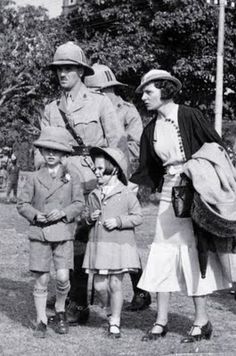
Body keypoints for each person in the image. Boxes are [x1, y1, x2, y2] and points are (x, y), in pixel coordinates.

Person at [130, 69, 231, 342]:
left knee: (193, 252)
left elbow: (216, 149)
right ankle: (161, 320)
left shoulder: (189, 115)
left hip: (195, 192)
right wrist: (128, 189)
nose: (144, 98)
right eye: (142, 93)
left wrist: (193, 168)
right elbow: (147, 169)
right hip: (168, 193)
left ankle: (202, 320)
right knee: (162, 252)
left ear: (165, 90)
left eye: (149, 92)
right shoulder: (151, 128)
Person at [38, 41, 129, 325]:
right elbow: (43, 150)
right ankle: (75, 301)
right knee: (67, 242)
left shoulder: (100, 102)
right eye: (58, 69)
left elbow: (117, 143)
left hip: (94, 177)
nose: (62, 74)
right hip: (64, 183)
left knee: (99, 242)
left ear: (80, 71)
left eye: (68, 68)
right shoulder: (51, 108)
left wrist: (117, 180)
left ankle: (93, 300)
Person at [85, 63, 151, 311]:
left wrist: (110, 152)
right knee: (94, 230)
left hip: (121, 177)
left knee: (124, 236)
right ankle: (78, 293)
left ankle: (141, 290)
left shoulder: (128, 110)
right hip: (96, 174)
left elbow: (136, 144)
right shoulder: (89, 109)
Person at [17, 127, 84, 338]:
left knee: (63, 277)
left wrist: (63, 212)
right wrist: (36, 215)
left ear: (64, 155)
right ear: (42, 153)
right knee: (42, 279)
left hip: (63, 232)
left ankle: (61, 309)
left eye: (56, 151)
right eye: (47, 150)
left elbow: (79, 203)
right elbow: (22, 204)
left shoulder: (72, 177)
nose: (51, 155)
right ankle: (41, 320)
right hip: (40, 233)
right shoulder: (33, 177)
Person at [82, 147, 142, 338]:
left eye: (101, 169)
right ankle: (109, 310)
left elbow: (138, 217)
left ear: (114, 169)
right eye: (95, 170)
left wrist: (118, 221)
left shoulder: (126, 193)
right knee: (99, 286)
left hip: (118, 246)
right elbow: (85, 217)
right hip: (99, 247)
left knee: (116, 284)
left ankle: (115, 322)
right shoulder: (93, 194)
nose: (97, 173)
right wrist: (90, 218)